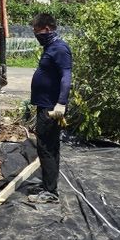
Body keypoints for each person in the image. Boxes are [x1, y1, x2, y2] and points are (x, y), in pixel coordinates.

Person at [28, 13, 72, 204]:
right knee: (49, 146)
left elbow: (66, 76)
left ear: (46, 28)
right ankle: (48, 184)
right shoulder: (51, 46)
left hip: (52, 108)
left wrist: (61, 103)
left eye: (37, 31)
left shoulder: (60, 48)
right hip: (45, 105)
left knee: (46, 147)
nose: (36, 35)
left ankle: (50, 192)